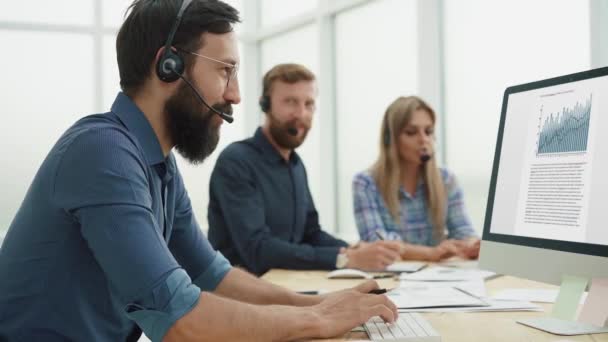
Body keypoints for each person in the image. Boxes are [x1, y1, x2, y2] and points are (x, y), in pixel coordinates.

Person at [0, 1, 398, 341]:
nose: (236, 94)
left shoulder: (159, 165)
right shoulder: (103, 153)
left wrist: (318, 303)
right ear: (168, 66)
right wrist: (317, 319)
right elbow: (179, 319)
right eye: (225, 70)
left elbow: (211, 273)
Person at [208, 63, 402, 275]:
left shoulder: (296, 164)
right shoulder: (236, 161)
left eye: (309, 104)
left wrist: (352, 249)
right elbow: (258, 250)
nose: (301, 113)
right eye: (290, 102)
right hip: (241, 295)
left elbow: (311, 233)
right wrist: (344, 258)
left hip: (287, 285)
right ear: (266, 104)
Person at [352, 96, 480, 262]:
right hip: (390, 277)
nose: (423, 140)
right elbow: (377, 243)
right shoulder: (365, 184)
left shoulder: (446, 180)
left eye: (428, 131)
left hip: (438, 276)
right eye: (411, 133)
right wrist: (430, 253)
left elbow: (464, 232)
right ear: (390, 139)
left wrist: (472, 245)